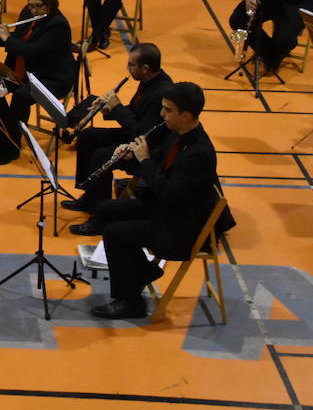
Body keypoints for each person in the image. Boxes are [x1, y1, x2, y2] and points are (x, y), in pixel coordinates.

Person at [78, 82, 236, 320]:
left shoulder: (199, 153)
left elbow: (168, 191)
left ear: (186, 115)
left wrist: (145, 161)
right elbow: (159, 161)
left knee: (114, 233)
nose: (162, 114)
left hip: (181, 229)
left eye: (168, 109)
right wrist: (133, 156)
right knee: (104, 210)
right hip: (169, 210)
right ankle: (143, 270)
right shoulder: (179, 134)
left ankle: (130, 302)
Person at [63, 43, 173, 215]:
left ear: (145, 68)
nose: (128, 68)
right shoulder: (147, 80)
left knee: (100, 156)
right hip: (134, 135)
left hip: (146, 148)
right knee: (87, 136)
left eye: (131, 65)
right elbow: (135, 112)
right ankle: (90, 195)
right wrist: (109, 109)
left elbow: (141, 132)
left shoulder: (161, 92)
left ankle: (99, 211)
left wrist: (118, 108)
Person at [0, 0, 76, 165]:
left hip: (51, 77)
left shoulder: (58, 25)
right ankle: (4, 136)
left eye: (39, 6)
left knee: (21, 96)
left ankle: (13, 145)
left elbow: (33, 51)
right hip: (26, 71)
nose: (33, 10)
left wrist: (6, 37)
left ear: (50, 5)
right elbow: (20, 38)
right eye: (31, 5)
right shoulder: (28, 13)